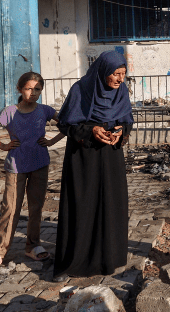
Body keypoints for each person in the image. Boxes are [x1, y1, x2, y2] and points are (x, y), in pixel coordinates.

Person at [53, 51, 134, 282]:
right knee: (82, 205)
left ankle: (109, 258)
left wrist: (121, 132)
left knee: (110, 204)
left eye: (123, 74)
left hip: (111, 155)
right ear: (102, 71)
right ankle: (73, 262)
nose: (120, 79)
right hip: (83, 157)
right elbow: (66, 125)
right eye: (115, 74)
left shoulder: (122, 92)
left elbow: (127, 119)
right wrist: (92, 130)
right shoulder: (81, 90)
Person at [0, 72, 65, 271]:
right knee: (10, 208)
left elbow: (67, 125)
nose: (33, 93)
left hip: (40, 163)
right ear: (19, 89)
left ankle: (32, 246)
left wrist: (52, 141)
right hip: (16, 167)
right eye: (28, 88)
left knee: (36, 207)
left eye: (37, 89)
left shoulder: (45, 110)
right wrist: (2, 145)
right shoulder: (9, 111)